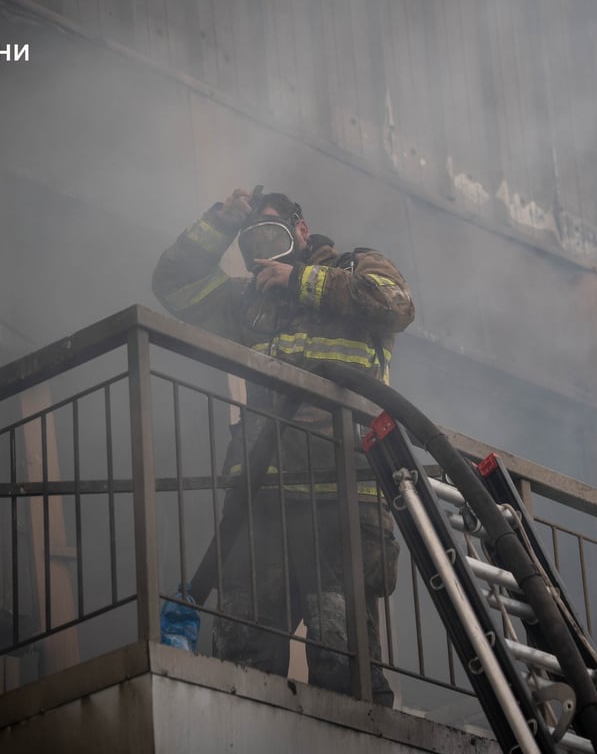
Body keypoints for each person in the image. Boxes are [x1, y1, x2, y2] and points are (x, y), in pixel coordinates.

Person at [152, 187, 415, 706]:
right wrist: (219, 221)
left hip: (341, 504)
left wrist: (300, 280)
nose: (264, 246)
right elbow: (173, 285)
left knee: (344, 672)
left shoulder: (353, 269)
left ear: (300, 230)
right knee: (244, 665)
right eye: (253, 236)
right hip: (261, 504)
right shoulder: (249, 304)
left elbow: (396, 304)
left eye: (273, 229)